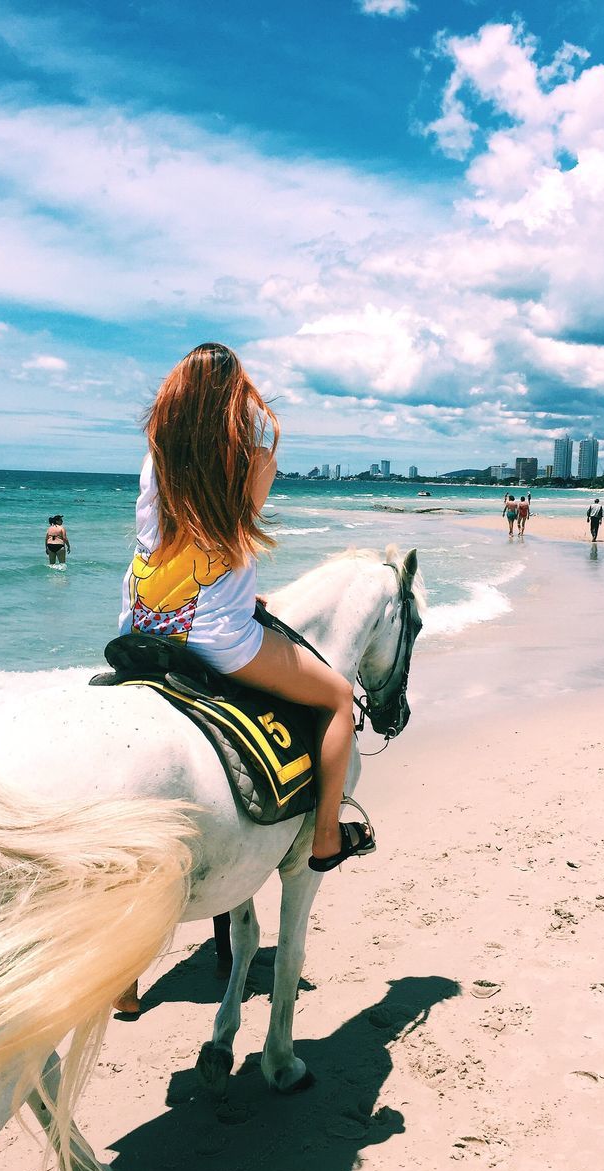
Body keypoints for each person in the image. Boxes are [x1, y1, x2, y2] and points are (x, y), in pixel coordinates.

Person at [118, 341, 372, 872]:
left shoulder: (155, 457)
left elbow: (175, 546)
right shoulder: (255, 460)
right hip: (215, 637)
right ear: (235, 400)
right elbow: (231, 539)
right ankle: (326, 837)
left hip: (139, 620)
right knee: (338, 699)